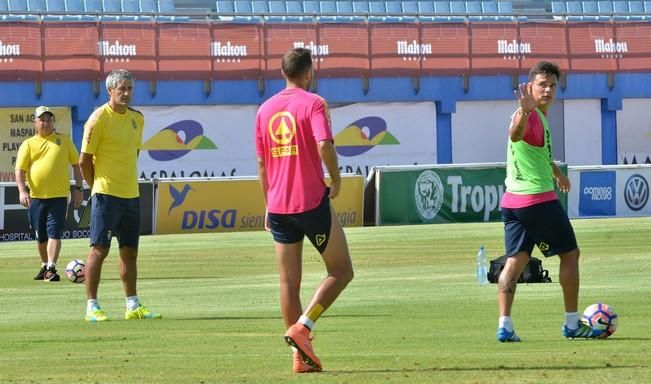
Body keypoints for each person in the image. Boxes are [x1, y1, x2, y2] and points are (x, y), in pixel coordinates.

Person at [255, 48, 354, 373]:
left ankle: (299, 358)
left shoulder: (264, 110)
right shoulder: (313, 103)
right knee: (341, 271)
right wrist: (336, 180)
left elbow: (261, 162)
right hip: (310, 200)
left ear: (283, 73)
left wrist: (268, 203)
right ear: (309, 72)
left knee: (288, 283)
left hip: (279, 204)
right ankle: (304, 327)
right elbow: (324, 144)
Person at [496, 61, 601, 342]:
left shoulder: (537, 117)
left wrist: (556, 172)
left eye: (553, 85)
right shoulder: (529, 115)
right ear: (529, 87)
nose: (548, 89)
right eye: (542, 84)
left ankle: (504, 326)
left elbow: (533, 150)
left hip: (512, 202)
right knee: (570, 254)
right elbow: (515, 134)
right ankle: (571, 324)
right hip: (536, 201)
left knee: (515, 261)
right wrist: (526, 111)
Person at [79, 69, 161, 322]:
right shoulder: (97, 119)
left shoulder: (138, 119)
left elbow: (133, 152)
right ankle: (92, 306)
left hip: (131, 195)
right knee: (99, 250)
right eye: (121, 89)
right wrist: (97, 187)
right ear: (110, 91)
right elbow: (84, 162)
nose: (126, 93)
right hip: (105, 195)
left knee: (130, 251)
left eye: (129, 89)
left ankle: (132, 305)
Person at [15, 106, 84, 282]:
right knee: (40, 235)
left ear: (53, 121)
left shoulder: (64, 141)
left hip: (59, 196)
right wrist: (22, 191)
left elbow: (76, 165)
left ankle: (51, 267)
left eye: (49, 119)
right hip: (36, 197)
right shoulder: (28, 144)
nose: (46, 123)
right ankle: (44, 265)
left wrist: (78, 188)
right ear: (35, 122)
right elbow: (20, 170)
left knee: (55, 232)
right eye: (42, 119)